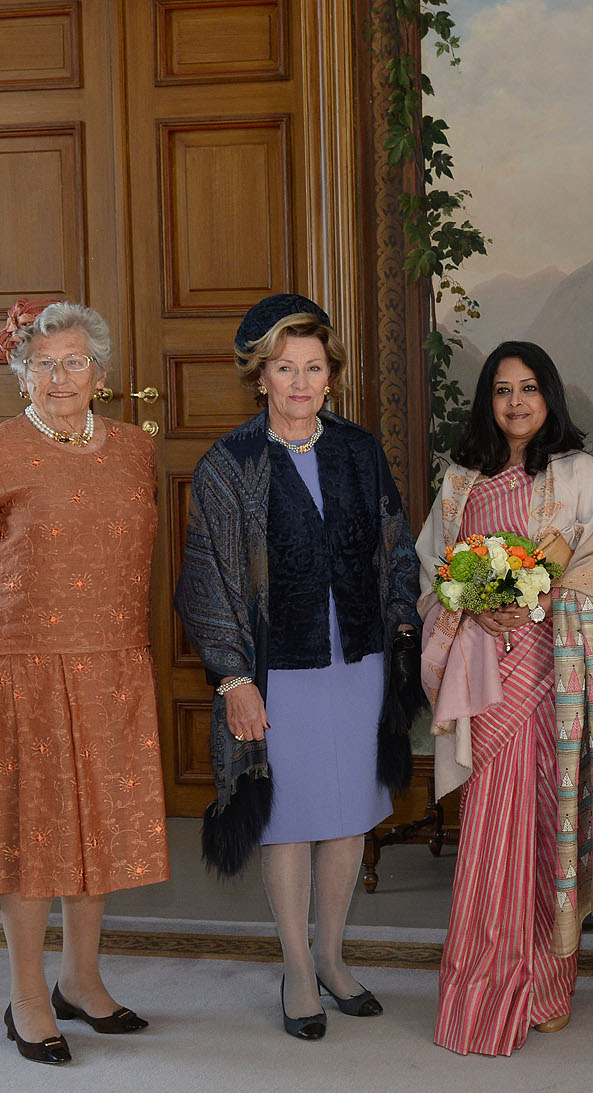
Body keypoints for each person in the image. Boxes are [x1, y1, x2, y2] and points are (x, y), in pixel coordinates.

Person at [173, 293, 421, 1041]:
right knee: (288, 819)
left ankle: (334, 956)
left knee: (346, 817)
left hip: (358, 665)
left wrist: (403, 618)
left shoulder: (358, 448)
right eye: (286, 368)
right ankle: (296, 967)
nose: (301, 381)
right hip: (277, 674)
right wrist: (233, 678)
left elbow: (396, 546)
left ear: (329, 375)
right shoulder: (230, 465)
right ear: (260, 376)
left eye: (314, 367)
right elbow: (206, 583)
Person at [0, 299, 169, 1065]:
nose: (59, 375)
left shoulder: (134, 449)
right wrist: (2, 631)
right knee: (32, 833)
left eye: (73, 361)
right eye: (43, 362)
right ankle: (27, 996)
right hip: (21, 667)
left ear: (100, 372)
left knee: (96, 827)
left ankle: (82, 980)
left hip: (111, 659)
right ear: (21, 372)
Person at [417, 340, 593, 1057]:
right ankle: (481, 984)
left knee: (551, 827)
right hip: (486, 679)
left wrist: (544, 596)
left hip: (557, 676)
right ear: (486, 401)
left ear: (549, 396)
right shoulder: (461, 480)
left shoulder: (579, 474)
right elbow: (431, 572)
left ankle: (548, 986)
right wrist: (471, 604)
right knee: (494, 830)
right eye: (501, 390)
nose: (515, 402)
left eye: (528, 388)